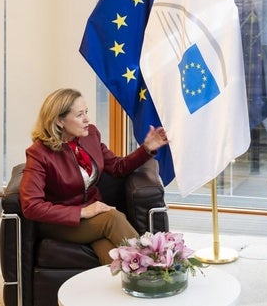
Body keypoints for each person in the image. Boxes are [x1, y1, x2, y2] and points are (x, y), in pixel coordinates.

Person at [19, 88, 169, 265]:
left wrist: (146, 148)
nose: (87, 120)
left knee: (113, 256)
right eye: (79, 115)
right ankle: (157, 268)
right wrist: (82, 212)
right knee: (113, 218)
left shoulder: (90, 135)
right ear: (59, 121)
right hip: (60, 223)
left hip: (92, 218)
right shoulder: (39, 153)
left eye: (86, 112)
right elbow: (31, 206)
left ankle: (130, 287)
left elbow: (117, 167)